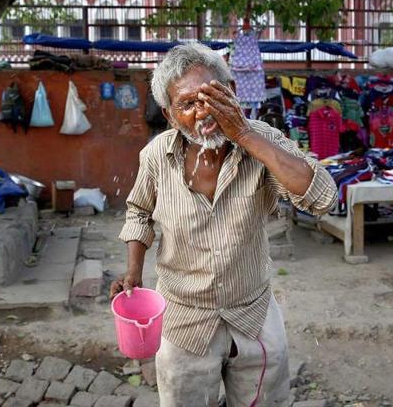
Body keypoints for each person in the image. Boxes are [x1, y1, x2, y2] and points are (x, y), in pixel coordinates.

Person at [110, 43, 337, 406]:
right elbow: (139, 210)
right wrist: (134, 271)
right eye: (187, 104)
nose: (203, 112)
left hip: (253, 313)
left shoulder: (263, 141)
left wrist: (245, 135)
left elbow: (323, 198)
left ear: (231, 92)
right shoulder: (156, 155)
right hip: (183, 319)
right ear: (170, 116)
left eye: (212, 96)